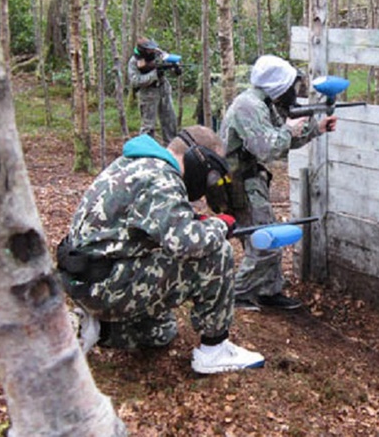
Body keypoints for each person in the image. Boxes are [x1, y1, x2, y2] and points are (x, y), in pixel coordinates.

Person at [56, 125, 264, 374]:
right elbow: (188, 244)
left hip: (86, 280)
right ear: (198, 159)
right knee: (216, 252)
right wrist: (220, 225)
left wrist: (194, 221)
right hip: (106, 286)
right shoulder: (162, 178)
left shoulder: (136, 163)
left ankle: (93, 328)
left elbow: (144, 224)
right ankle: (214, 349)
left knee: (161, 331)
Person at [220, 55, 337, 311]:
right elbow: (267, 148)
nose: (292, 93)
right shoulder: (248, 106)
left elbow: (280, 140)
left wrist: (317, 128)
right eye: (289, 87)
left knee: (267, 237)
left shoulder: (263, 104)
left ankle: (268, 291)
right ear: (277, 85)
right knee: (264, 242)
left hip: (251, 180)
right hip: (238, 183)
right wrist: (289, 129)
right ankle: (233, 296)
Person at [128, 37, 179, 144]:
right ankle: (146, 149)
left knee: (170, 120)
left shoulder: (158, 53)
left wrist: (175, 68)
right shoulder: (134, 61)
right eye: (149, 49)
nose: (152, 51)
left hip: (163, 89)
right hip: (148, 93)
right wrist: (155, 74)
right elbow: (135, 81)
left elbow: (170, 60)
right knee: (148, 125)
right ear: (142, 50)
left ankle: (172, 146)